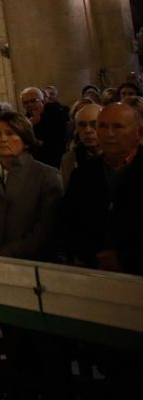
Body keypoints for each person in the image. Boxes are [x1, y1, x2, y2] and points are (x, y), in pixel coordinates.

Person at [0, 110, 62, 260]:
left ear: (25, 140)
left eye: (10, 133)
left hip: (31, 262)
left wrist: (8, 253)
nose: (3, 139)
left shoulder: (46, 175)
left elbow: (46, 226)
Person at [61, 101, 143, 273]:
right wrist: (92, 255)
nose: (109, 133)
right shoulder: (82, 175)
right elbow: (68, 222)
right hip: (94, 270)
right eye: (103, 126)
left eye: (118, 127)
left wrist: (124, 259)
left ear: (139, 133)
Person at [19, 86, 70, 169]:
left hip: (54, 161)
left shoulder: (57, 114)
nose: (30, 105)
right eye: (26, 103)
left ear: (43, 100)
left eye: (33, 101)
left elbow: (56, 141)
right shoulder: (24, 121)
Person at [60, 99, 103, 187]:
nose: (87, 130)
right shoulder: (69, 159)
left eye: (94, 124)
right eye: (82, 125)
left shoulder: (118, 157)